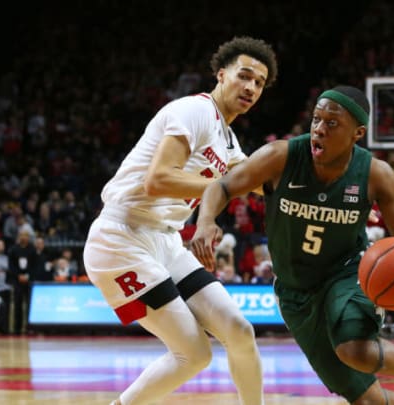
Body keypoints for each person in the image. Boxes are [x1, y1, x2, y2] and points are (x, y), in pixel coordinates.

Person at [190, 86, 394, 405]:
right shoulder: (281, 156)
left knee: (355, 349)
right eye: (316, 120)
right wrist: (206, 220)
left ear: (357, 133)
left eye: (331, 123)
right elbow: (221, 186)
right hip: (294, 292)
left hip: (348, 276)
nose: (319, 128)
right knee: (366, 400)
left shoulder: (376, 174)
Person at [82, 36, 277, 405]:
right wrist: (219, 188)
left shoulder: (228, 140)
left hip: (165, 241)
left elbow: (261, 182)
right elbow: (158, 179)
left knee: (238, 330)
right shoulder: (195, 110)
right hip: (122, 237)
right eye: (244, 76)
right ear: (221, 75)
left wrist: (334, 193)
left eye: (259, 83)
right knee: (194, 353)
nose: (251, 87)